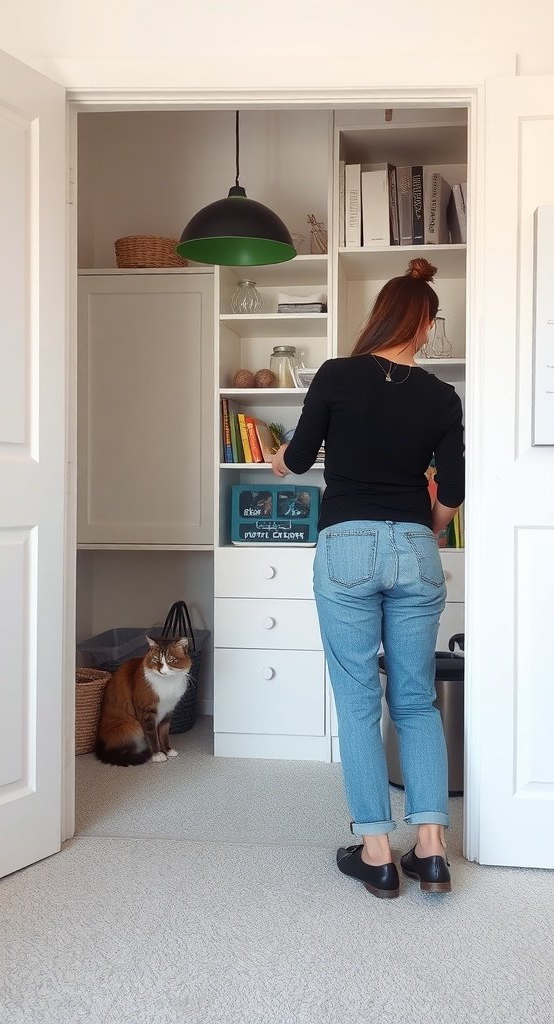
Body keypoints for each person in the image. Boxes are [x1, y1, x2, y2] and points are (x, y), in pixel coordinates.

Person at [271, 258, 465, 899]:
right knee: (414, 700)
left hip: (346, 546)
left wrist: (278, 460)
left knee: (358, 704)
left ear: (380, 313)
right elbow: (453, 492)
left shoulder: (336, 375)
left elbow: (298, 461)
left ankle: (378, 852)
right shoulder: (441, 395)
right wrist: (426, 529)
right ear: (427, 325)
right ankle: (432, 849)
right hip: (414, 547)